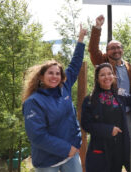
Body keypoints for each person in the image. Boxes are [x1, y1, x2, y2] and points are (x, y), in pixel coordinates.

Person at [22, 26, 86, 172]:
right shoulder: (33, 102)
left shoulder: (64, 88)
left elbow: (75, 64)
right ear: (41, 76)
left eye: (57, 73)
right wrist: (66, 148)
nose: (54, 76)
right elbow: (38, 136)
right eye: (50, 73)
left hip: (71, 154)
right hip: (47, 161)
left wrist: (81, 39)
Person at [89, 14, 131, 172]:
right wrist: (97, 28)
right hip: (110, 116)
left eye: (118, 47)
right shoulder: (103, 63)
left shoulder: (127, 66)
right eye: (112, 47)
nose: (116, 50)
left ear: (122, 50)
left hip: (128, 115)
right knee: (112, 152)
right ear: (107, 51)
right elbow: (92, 49)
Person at [81, 63, 131, 172]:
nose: (107, 77)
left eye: (109, 73)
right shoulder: (89, 100)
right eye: (102, 75)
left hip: (119, 147)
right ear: (97, 79)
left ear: (113, 76)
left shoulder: (118, 95)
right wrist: (108, 130)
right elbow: (86, 125)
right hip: (101, 148)